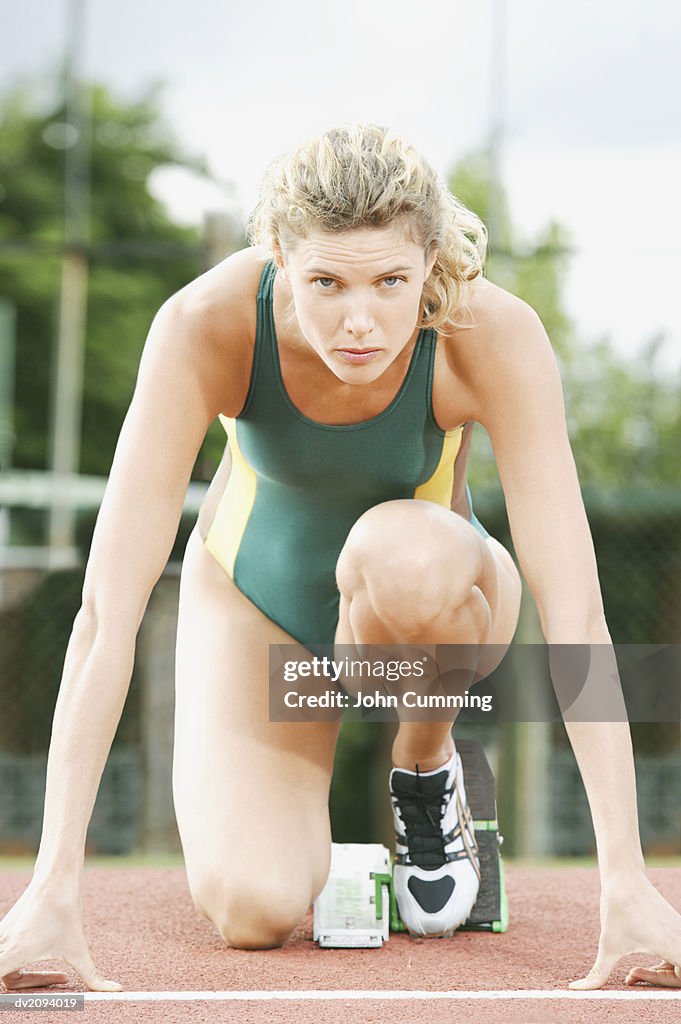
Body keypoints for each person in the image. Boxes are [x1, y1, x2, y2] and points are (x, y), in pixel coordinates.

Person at [1, 124, 680, 993]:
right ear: (278, 255)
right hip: (256, 604)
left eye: (391, 281)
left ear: (430, 261)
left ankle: (426, 766)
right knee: (254, 910)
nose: (359, 320)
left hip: (433, 595)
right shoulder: (205, 325)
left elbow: (578, 617)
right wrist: (53, 884)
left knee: (398, 549)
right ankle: (293, 842)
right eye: (325, 282)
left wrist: (626, 880)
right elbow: (105, 616)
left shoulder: (490, 332)